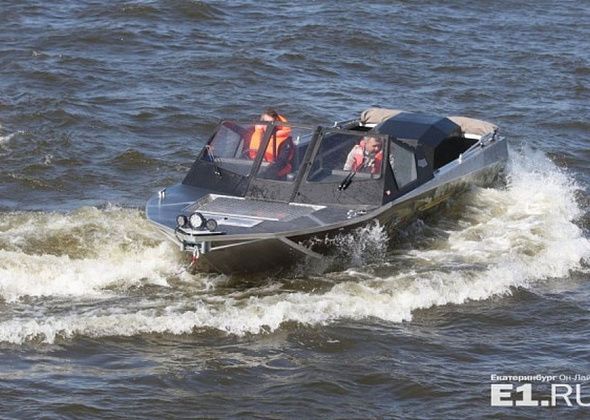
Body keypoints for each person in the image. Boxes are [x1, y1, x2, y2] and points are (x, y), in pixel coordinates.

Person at [247, 108, 294, 179]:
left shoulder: (286, 141)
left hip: (276, 175)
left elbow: (282, 161)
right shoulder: (256, 134)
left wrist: (264, 174)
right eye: (266, 122)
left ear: (277, 124)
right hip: (255, 170)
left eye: (272, 123)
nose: (269, 126)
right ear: (261, 123)